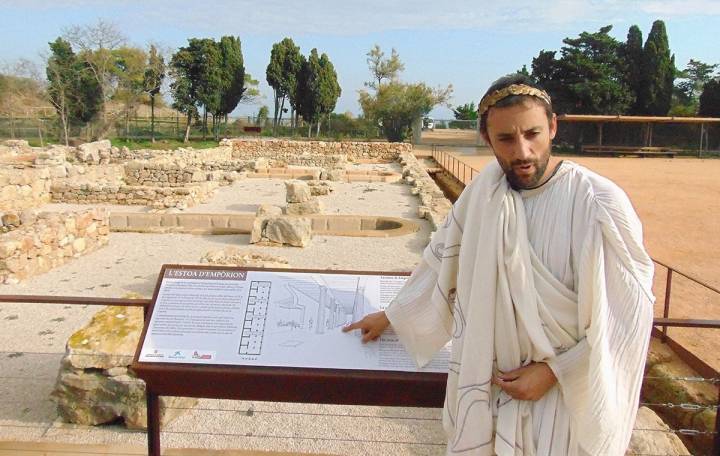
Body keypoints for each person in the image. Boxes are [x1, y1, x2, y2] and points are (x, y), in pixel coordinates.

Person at [343, 74, 655, 456]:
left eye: (533, 134)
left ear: (553, 127)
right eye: (506, 139)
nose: (522, 152)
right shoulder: (482, 194)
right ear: (488, 139)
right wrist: (393, 314)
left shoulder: (599, 203)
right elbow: (441, 259)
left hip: (562, 398)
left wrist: (555, 372)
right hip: (493, 385)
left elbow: (629, 315)